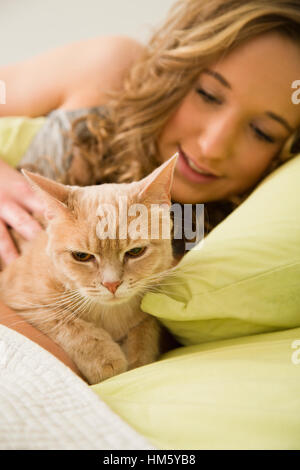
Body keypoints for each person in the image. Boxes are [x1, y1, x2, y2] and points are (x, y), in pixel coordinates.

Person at [0, 0, 299, 376]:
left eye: (262, 132)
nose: (213, 146)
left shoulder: (244, 236)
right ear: (174, 67)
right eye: (208, 94)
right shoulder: (110, 67)